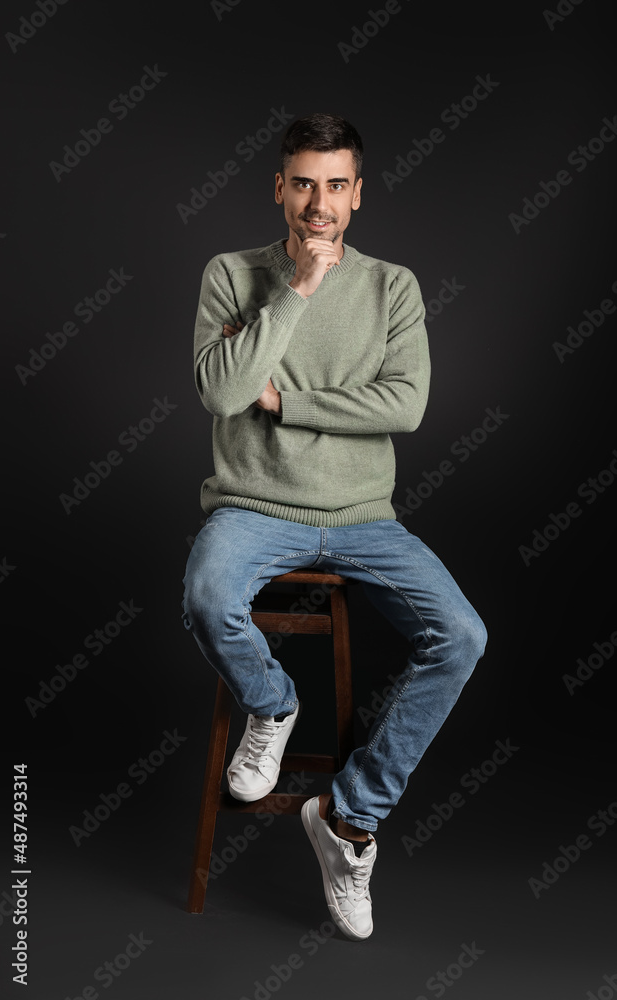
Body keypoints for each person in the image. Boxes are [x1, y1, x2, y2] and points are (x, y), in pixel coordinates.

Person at [182, 112, 487, 941]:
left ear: (359, 194)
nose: (320, 203)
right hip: (253, 506)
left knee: (460, 635)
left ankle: (349, 820)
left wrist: (287, 400)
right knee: (208, 597)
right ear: (278, 188)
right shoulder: (232, 273)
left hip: (363, 518)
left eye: (336, 185)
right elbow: (220, 392)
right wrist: (300, 292)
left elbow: (406, 405)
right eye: (305, 183)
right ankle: (273, 708)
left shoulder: (393, 286)